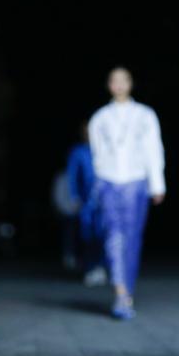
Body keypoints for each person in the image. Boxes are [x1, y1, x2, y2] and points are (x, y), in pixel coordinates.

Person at [88, 67, 166, 320]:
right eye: (114, 81)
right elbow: (97, 155)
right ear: (108, 85)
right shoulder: (99, 118)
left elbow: (154, 149)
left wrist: (157, 185)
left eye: (124, 80)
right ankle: (120, 293)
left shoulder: (145, 114)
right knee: (113, 235)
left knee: (131, 238)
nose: (119, 85)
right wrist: (99, 182)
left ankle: (127, 291)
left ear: (131, 84)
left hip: (136, 181)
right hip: (109, 182)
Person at [65, 122, 107, 286]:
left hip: (105, 200)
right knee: (87, 235)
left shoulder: (105, 150)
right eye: (87, 132)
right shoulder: (78, 152)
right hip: (87, 202)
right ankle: (90, 268)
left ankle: (102, 267)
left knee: (104, 234)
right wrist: (74, 197)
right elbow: (72, 175)